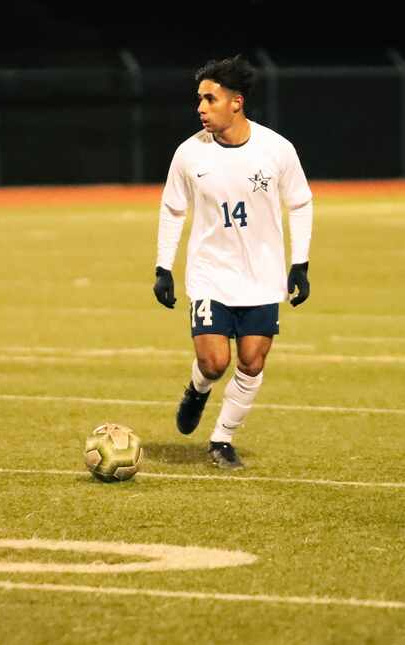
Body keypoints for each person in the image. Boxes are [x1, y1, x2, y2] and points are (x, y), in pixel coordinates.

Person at [153, 54, 313, 469]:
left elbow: (300, 203)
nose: (200, 108)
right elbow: (172, 210)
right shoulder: (189, 154)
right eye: (199, 99)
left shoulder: (276, 149)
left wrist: (301, 263)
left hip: (261, 274)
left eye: (210, 99)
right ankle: (197, 387)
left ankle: (222, 440)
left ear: (236, 102)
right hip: (210, 274)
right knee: (214, 361)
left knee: (252, 360)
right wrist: (162, 267)